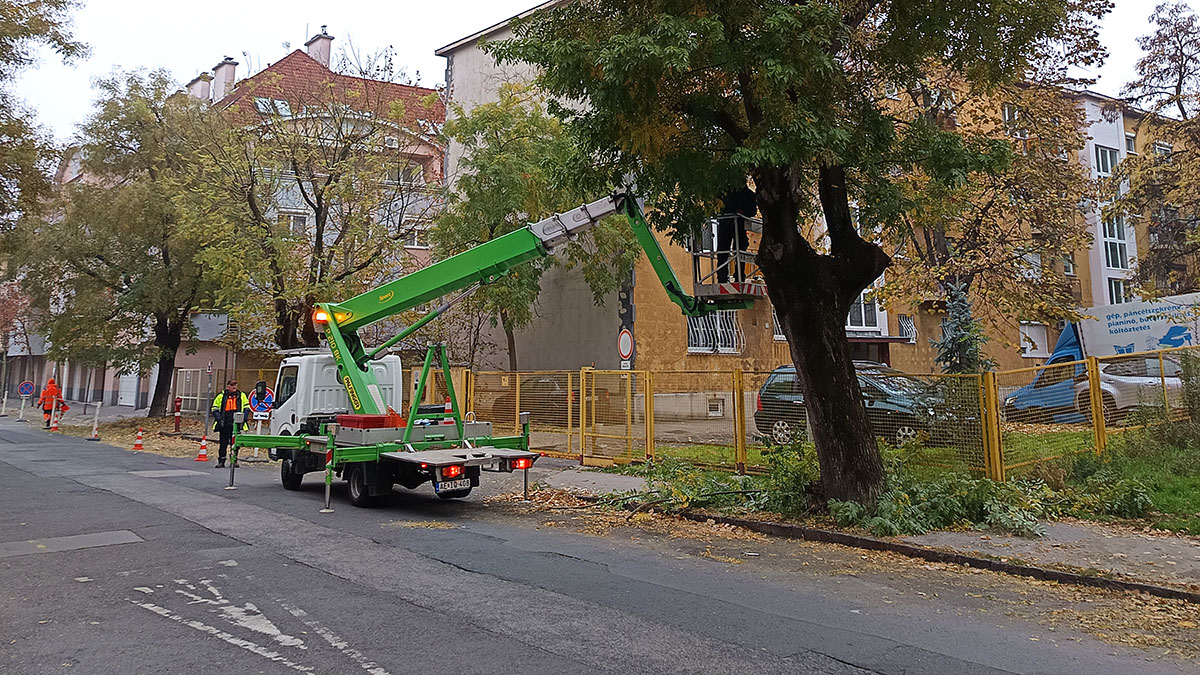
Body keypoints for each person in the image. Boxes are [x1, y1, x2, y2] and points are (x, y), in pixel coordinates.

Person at [716, 185, 757, 283]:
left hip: (740, 226)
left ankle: (739, 276)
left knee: (740, 251)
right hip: (726, 225)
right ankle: (722, 278)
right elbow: (719, 208)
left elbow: (753, 211)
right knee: (723, 251)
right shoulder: (725, 192)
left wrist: (742, 213)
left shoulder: (749, 195)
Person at [210, 379, 250, 468]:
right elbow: (215, 408)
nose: (234, 387)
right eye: (232, 385)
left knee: (235, 444)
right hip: (224, 424)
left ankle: (234, 461)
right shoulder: (221, 396)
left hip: (236, 424)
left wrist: (243, 419)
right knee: (223, 444)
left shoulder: (241, 395)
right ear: (228, 387)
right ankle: (221, 461)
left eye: (235, 385)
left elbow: (247, 407)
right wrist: (219, 419)